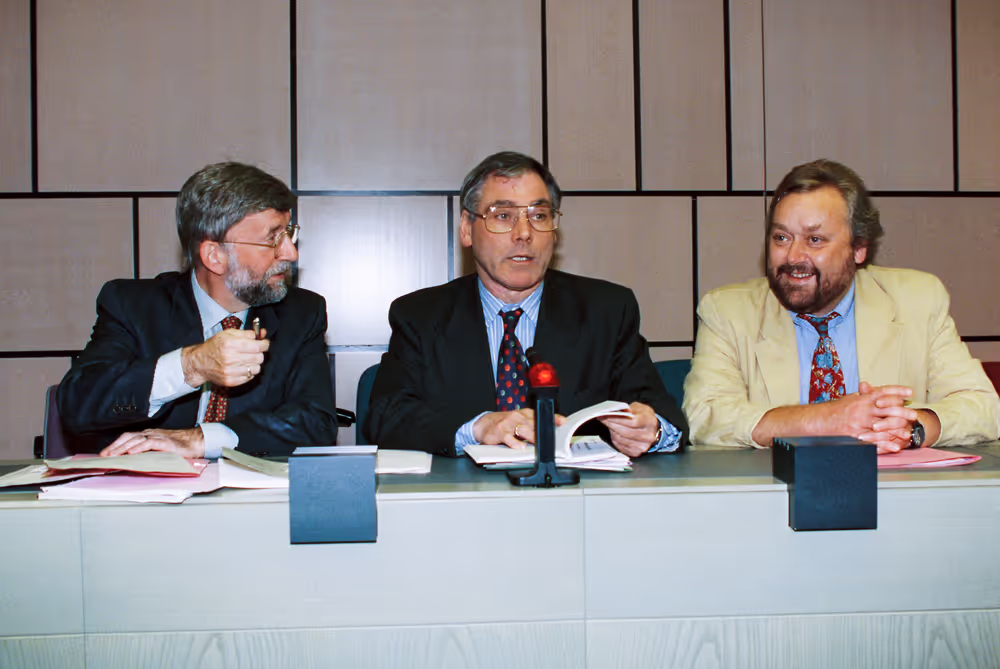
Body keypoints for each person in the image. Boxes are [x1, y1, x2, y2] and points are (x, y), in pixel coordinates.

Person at [365, 151, 687, 457]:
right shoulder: (422, 315)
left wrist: (653, 430)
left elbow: (661, 410)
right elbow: (386, 417)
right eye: (503, 216)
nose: (524, 233)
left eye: (539, 215)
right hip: (463, 503)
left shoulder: (606, 310)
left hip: (576, 501)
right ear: (466, 228)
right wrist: (478, 427)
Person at [684, 158, 1000, 451]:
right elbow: (704, 416)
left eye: (815, 240)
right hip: (778, 499)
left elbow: (982, 407)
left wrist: (911, 428)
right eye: (781, 238)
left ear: (859, 249)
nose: (793, 257)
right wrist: (825, 419)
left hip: (893, 495)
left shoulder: (917, 300)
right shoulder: (728, 311)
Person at [58, 162, 337, 458]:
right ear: (214, 256)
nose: (291, 253)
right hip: (150, 497)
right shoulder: (134, 306)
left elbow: (316, 424)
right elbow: (78, 404)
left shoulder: (302, 313)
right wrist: (191, 366)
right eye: (272, 238)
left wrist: (202, 439)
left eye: (289, 233)